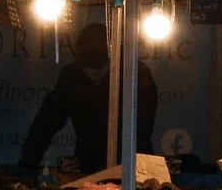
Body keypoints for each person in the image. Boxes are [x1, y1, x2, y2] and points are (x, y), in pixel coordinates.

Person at [18, 23, 156, 176]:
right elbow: (45, 123)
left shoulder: (137, 75)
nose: (93, 74)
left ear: (113, 57)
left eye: (99, 66)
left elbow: (143, 128)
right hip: (87, 164)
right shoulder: (71, 77)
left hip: (133, 163)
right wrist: (28, 164)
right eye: (87, 67)